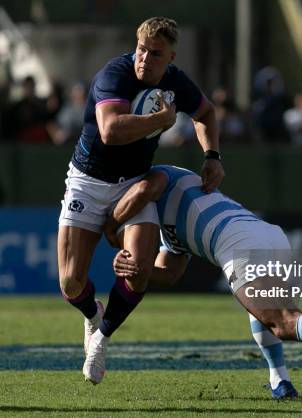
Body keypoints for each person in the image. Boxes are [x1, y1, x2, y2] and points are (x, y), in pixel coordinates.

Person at [103, 165, 302, 403]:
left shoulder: (156, 176)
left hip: (240, 242)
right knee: (261, 314)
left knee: (283, 322)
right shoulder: (167, 231)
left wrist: (110, 222)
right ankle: (280, 380)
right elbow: (169, 273)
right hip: (266, 235)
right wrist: (138, 270)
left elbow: (145, 188)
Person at [56, 17, 224, 385]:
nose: (145, 58)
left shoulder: (176, 82)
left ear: (171, 57)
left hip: (133, 182)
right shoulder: (114, 75)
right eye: (141, 49)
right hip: (88, 180)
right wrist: (160, 120)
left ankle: (101, 339)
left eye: (155, 53)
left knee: (140, 270)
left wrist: (212, 155)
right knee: (70, 281)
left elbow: (206, 112)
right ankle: (92, 314)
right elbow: (111, 131)